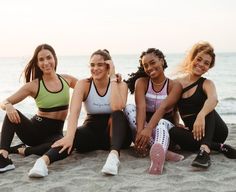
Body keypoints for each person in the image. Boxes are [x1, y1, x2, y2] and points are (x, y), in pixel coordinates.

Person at [28, 49, 132, 177]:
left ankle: (114, 157)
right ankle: (42, 162)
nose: (95, 68)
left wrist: (112, 77)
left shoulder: (121, 85)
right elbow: (74, 113)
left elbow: (117, 107)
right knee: (68, 138)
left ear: (108, 66)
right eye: (92, 65)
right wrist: (70, 137)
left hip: (116, 135)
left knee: (118, 114)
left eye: (100, 65)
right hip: (91, 132)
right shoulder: (83, 84)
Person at [0, 44, 78, 173]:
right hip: (34, 131)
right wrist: (8, 106)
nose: (46, 62)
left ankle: (23, 150)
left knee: (67, 145)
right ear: (37, 63)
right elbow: (4, 101)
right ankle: (3, 157)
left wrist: (112, 77)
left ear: (55, 59)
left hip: (55, 134)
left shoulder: (67, 80)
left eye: (49, 58)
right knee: (10, 115)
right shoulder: (34, 85)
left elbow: (88, 87)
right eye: (41, 60)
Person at [169, 41, 236, 169]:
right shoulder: (176, 83)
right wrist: (177, 121)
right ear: (192, 58)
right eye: (199, 59)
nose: (201, 65)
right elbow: (173, 108)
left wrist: (201, 115)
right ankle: (219, 147)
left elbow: (213, 99)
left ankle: (204, 151)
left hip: (216, 130)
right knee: (173, 131)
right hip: (196, 134)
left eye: (206, 63)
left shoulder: (207, 83)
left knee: (208, 106)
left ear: (209, 67)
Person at [124, 48, 184, 175]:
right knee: (129, 108)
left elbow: (163, 108)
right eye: (145, 65)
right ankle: (162, 152)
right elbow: (141, 107)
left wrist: (148, 129)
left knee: (162, 122)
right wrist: (141, 134)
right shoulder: (141, 82)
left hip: (165, 127)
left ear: (161, 61)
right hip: (145, 129)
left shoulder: (175, 86)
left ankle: (158, 160)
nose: (149, 67)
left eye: (152, 62)